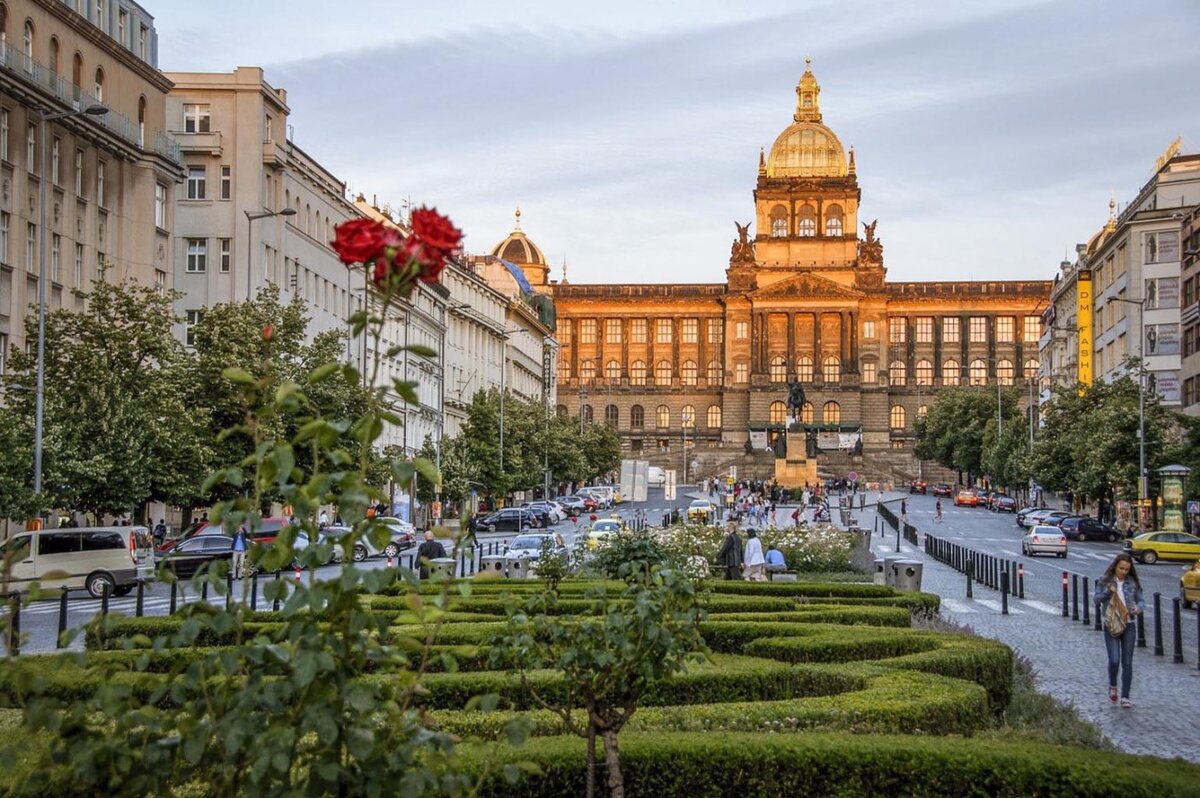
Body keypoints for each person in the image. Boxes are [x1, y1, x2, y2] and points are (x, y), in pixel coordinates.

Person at [1094, 553, 1145, 708]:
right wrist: (1108, 591)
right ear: (1115, 566)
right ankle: (1113, 685)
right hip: (1111, 625)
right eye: (1121, 568)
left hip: (1129, 624)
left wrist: (1139, 608)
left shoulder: (1132, 582)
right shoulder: (1105, 581)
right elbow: (1096, 600)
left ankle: (1125, 696)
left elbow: (1141, 600)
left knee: (1127, 662)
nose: (1123, 571)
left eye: (1126, 569)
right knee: (1114, 659)